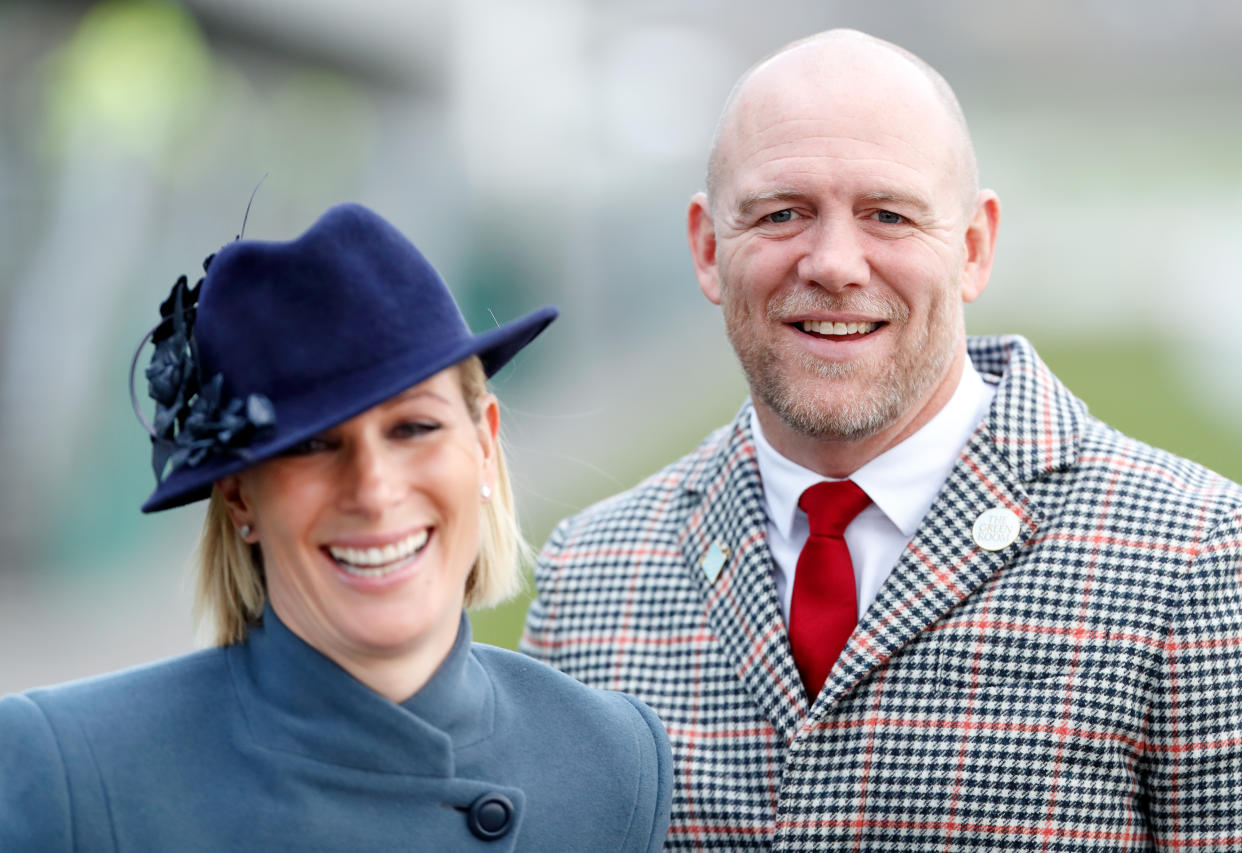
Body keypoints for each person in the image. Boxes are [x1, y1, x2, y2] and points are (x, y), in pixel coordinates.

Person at [522, 29, 1242, 850]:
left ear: (973, 248)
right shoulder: (589, 579)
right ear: (708, 247)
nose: (833, 263)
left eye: (888, 215)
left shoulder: (1198, 560)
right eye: (783, 213)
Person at [0, 203, 672, 851]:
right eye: (314, 446)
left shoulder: (615, 762)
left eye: (414, 427)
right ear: (239, 497)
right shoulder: (67, 776)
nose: (375, 491)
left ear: (486, 445)